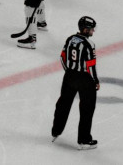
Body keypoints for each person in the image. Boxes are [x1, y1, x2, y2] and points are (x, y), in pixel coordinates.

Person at [51, 15, 99, 150]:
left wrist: (69, 72)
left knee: (63, 104)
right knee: (87, 109)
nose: (93, 31)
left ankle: (56, 130)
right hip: (85, 79)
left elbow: (62, 57)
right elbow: (91, 65)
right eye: (91, 29)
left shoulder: (70, 39)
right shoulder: (89, 44)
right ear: (85, 29)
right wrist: (95, 80)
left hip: (69, 76)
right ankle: (84, 140)